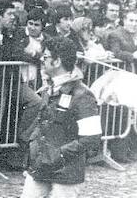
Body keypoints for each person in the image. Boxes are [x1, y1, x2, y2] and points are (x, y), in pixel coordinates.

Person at [22, 36, 101, 198]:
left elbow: (91, 138)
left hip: (66, 172)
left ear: (57, 61)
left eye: (45, 57)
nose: (42, 61)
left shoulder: (83, 95)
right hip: (41, 165)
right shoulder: (49, 88)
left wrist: (59, 155)